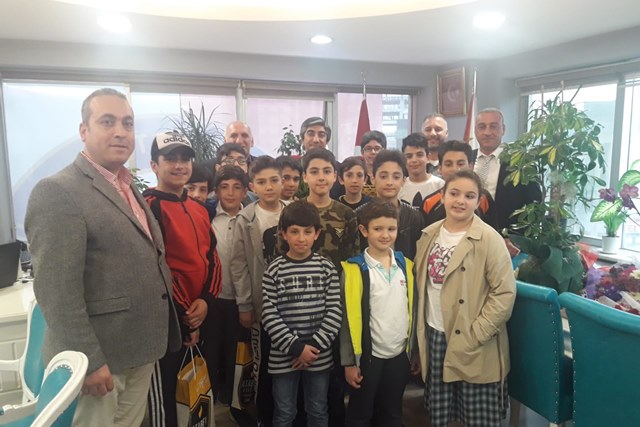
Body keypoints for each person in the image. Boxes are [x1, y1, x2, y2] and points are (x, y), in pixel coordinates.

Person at [24, 88, 181, 426]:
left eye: (128, 123)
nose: (121, 132)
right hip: (99, 359)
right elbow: (56, 290)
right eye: (107, 122)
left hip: (138, 348)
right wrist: (89, 360)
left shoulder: (125, 184)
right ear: (84, 130)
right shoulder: (58, 190)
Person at [415, 169, 516, 427]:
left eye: (469, 196)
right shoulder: (429, 235)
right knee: (441, 414)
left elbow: (504, 292)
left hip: (473, 337)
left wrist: (478, 333)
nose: (460, 201)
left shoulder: (490, 239)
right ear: (442, 196)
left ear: (479, 200)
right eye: (454, 193)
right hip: (435, 333)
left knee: (476, 416)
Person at [144, 131, 222, 426]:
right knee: (168, 397)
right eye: (170, 159)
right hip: (170, 321)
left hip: (201, 312)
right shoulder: (148, 207)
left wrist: (206, 300)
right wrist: (186, 317)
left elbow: (212, 258)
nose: (179, 165)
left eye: (185, 159)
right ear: (154, 165)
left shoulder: (199, 208)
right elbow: (157, 267)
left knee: (196, 393)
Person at [262, 200, 342, 427]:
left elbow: (334, 311)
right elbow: (269, 314)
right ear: (283, 234)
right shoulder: (274, 269)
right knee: (284, 412)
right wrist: (296, 348)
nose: (301, 238)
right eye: (294, 231)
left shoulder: (326, 267)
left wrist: (312, 348)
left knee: (317, 409)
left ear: (317, 234)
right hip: (283, 356)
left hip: (318, 355)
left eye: (307, 232)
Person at [340, 201, 417, 427]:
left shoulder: (407, 266)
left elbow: (414, 311)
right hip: (367, 358)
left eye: (391, 229)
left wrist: (415, 351)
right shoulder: (353, 270)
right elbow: (345, 322)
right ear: (364, 231)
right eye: (378, 229)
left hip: (399, 355)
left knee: (392, 412)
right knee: (360, 413)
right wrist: (349, 363)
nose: (385, 235)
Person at [301, 148, 360, 426]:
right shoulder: (295, 211)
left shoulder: (345, 214)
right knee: (305, 366)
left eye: (326, 171)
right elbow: (282, 256)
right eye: (314, 171)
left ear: (335, 176)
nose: (321, 177)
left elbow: (353, 260)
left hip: (335, 301)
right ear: (305, 176)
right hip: (302, 302)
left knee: (334, 368)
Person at [230, 155, 286, 426]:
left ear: (283, 181)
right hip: (262, 305)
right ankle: (265, 415)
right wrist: (244, 304)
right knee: (264, 363)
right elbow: (238, 264)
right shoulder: (246, 218)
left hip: (293, 305)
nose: (269, 187)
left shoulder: (294, 211)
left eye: (274, 180)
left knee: (289, 362)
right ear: (252, 186)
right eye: (262, 182)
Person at [472, 108, 542, 256]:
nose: (487, 132)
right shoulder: (465, 158)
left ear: (503, 129)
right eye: (482, 127)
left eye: (493, 126)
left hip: (506, 244)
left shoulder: (521, 162)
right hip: (469, 238)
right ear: (475, 130)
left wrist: (515, 239)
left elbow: (535, 205)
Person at [209, 165, 249, 405]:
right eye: (224, 187)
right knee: (213, 349)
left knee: (237, 351)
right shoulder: (208, 216)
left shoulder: (251, 216)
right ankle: (211, 397)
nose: (230, 193)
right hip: (215, 297)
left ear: (245, 191)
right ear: (216, 191)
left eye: (236, 187)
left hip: (243, 299)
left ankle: (235, 400)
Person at [356, 150, 424, 261]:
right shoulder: (359, 215)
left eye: (396, 177)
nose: (389, 182)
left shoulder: (414, 217)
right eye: (383, 176)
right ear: (373, 179)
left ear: (403, 180)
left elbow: (417, 255)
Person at [422, 140, 497, 228]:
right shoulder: (429, 202)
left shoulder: (483, 198)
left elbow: (493, 231)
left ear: (471, 166)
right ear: (440, 168)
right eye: (448, 164)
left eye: (460, 164)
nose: (455, 169)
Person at [398, 132, 444, 208]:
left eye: (419, 155)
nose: (414, 160)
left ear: (428, 157)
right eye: (409, 156)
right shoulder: (399, 187)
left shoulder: (440, 185)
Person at [359, 131, 387, 197]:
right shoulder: (357, 174)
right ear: (362, 152)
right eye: (368, 148)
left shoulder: (388, 174)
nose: (373, 152)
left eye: (377, 148)